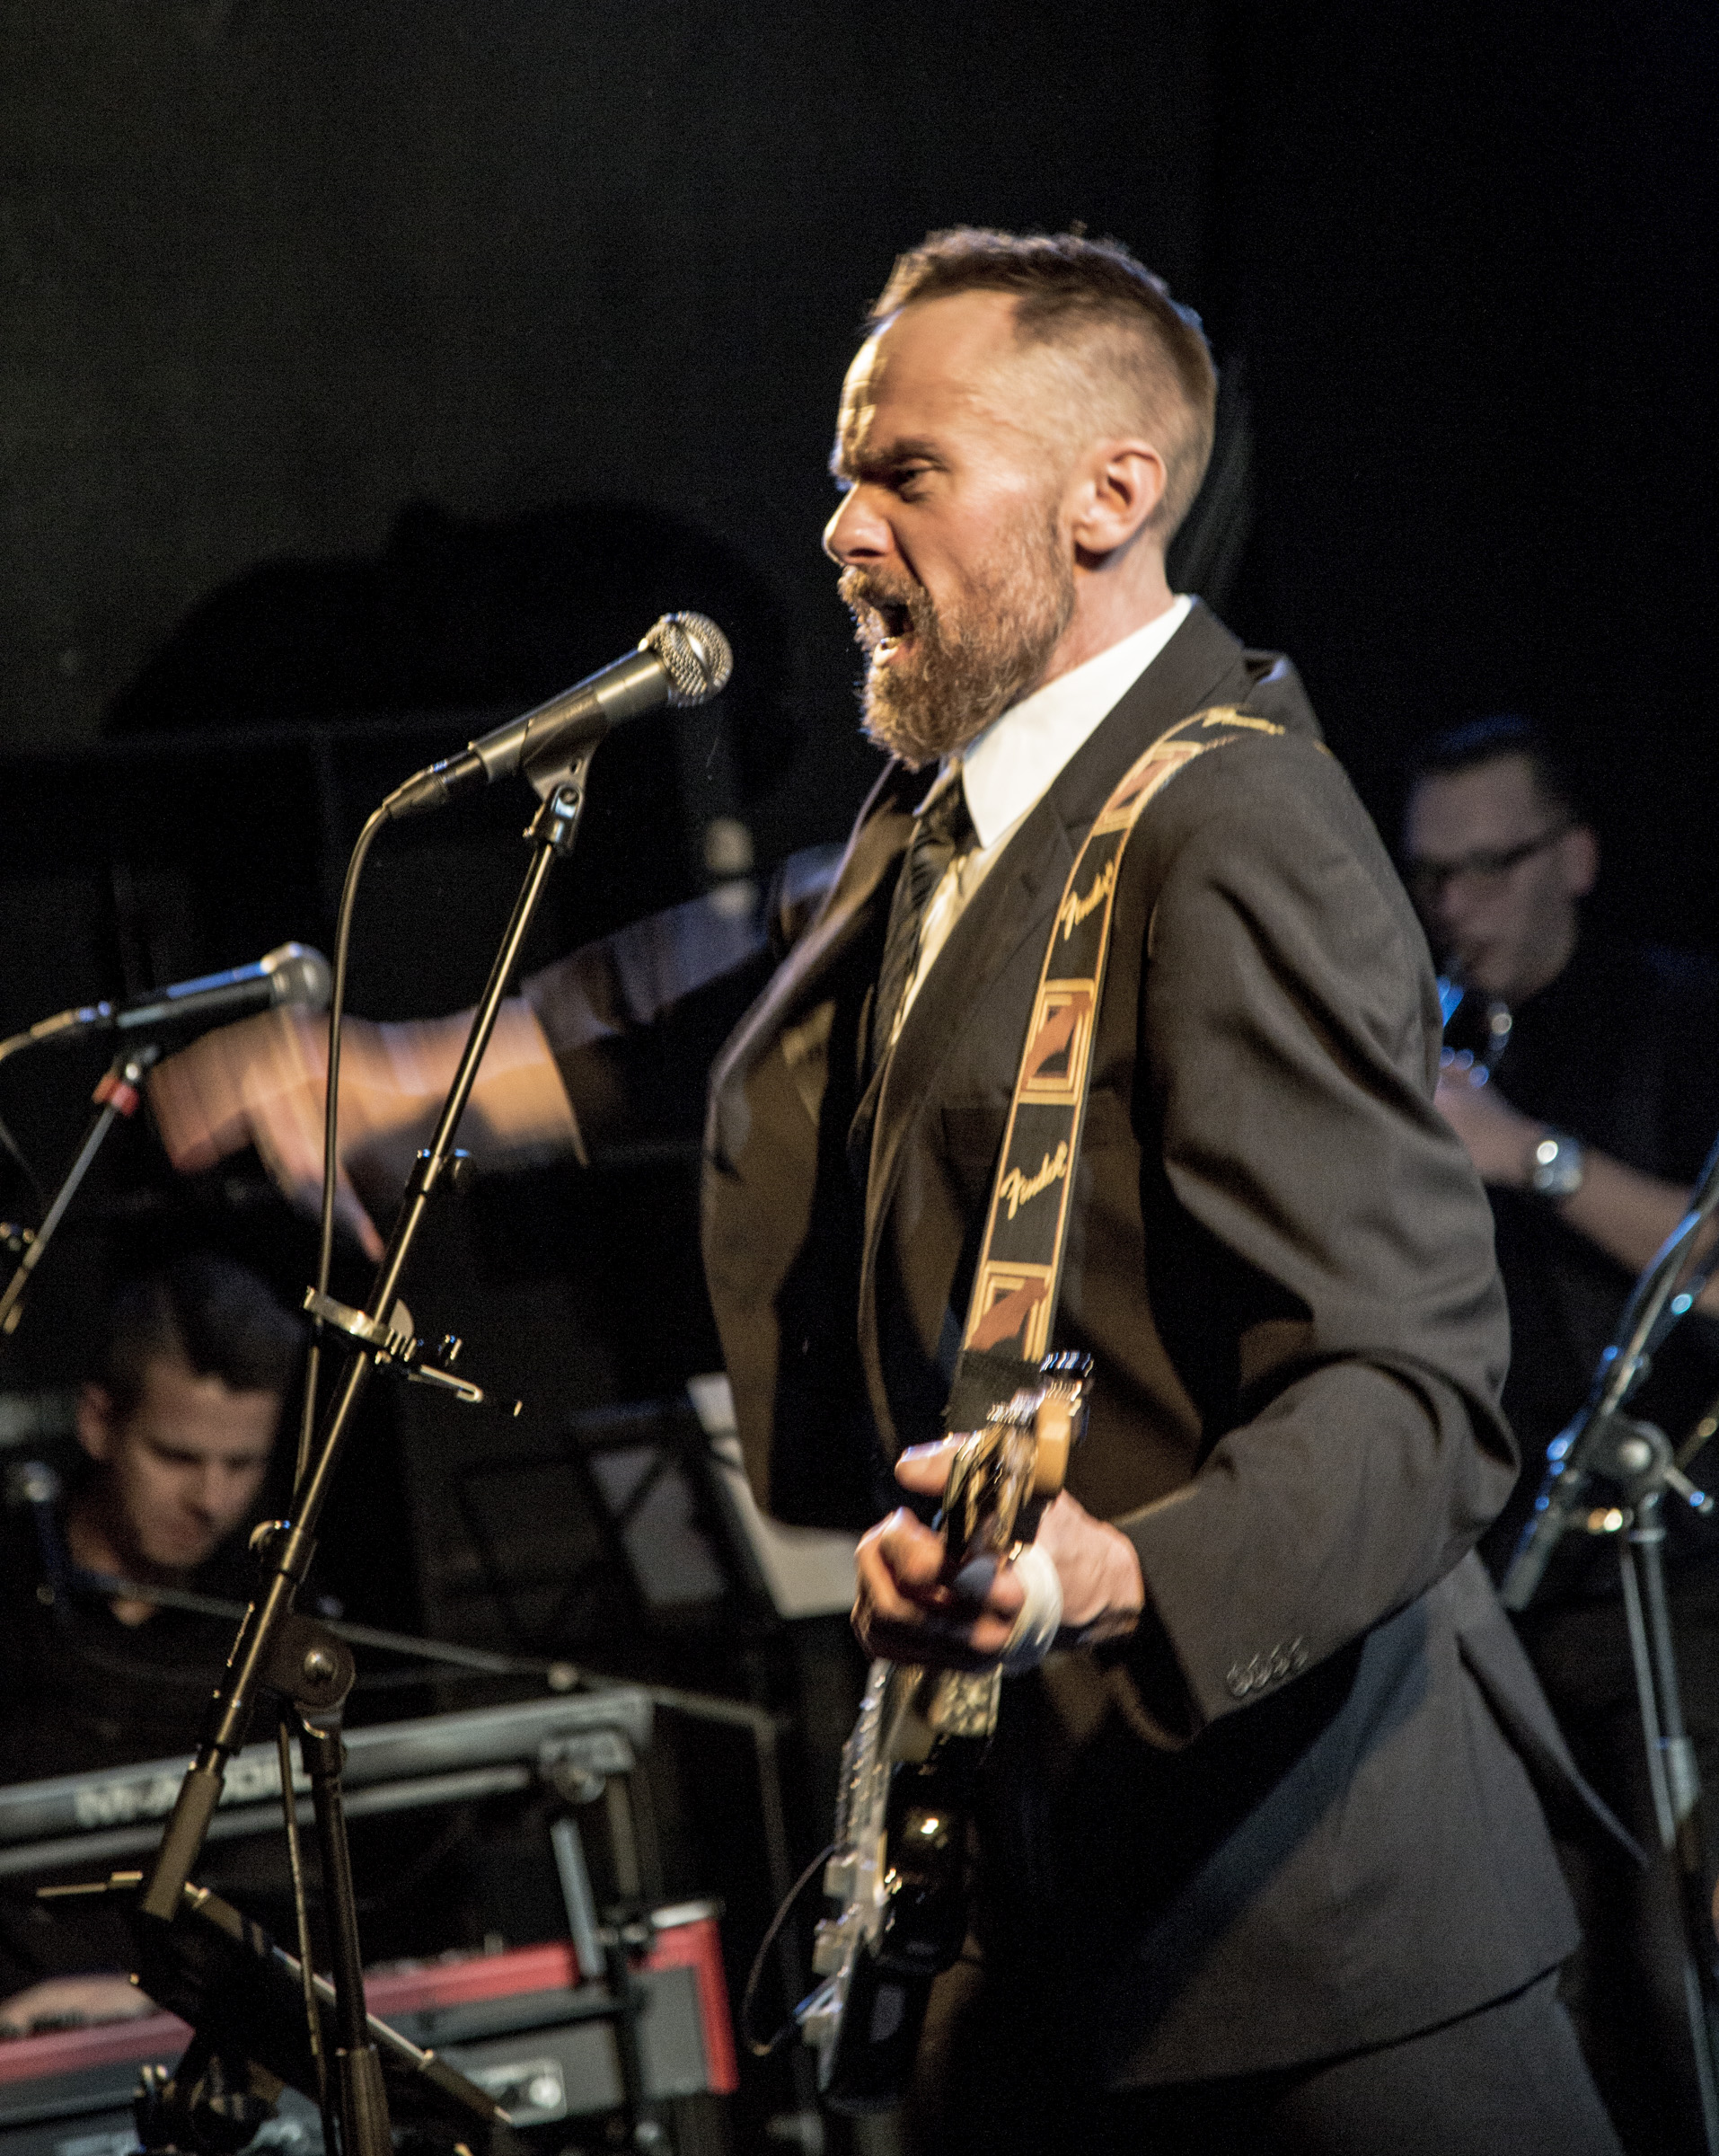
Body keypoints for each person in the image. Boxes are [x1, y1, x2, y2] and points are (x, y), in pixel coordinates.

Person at [147, 230, 1623, 2152]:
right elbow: (699, 997)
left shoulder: (1235, 826)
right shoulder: (965, 816)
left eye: (905, 473)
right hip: (1045, 1918)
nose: (842, 533)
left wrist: (1108, 1574)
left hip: (1321, 1955)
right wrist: (406, 1074)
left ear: (1110, 495)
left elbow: (1413, 1390)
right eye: (848, 475)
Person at [1404, 715, 1719, 2154]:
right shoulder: (1430, 1041)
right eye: (1433, 875)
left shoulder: (1674, 1016)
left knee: (1677, 1972)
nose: (1456, 904)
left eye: (1492, 866)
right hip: (1490, 1591)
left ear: (1573, 857)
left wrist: (1523, 1153)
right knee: (1541, 1999)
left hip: (1671, 1588)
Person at [0, 1251, 301, 2034]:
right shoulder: (17, 1591)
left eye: (241, 1464)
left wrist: (157, 2001)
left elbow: (283, 1900)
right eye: (176, 1456)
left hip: (201, 2037)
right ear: (98, 1423)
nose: (211, 1499)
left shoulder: (266, 1624)